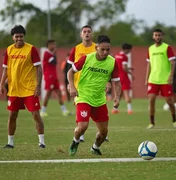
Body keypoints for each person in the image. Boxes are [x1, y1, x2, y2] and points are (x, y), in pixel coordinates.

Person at [67, 35, 121, 156]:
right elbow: (70, 71)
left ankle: (95, 147)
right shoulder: (86, 58)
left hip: (99, 100)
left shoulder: (112, 62)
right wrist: (71, 86)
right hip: (83, 97)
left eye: (108, 49)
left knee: (103, 132)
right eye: (102, 49)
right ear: (96, 48)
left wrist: (117, 97)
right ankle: (75, 141)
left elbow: (116, 81)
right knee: (82, 127)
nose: (105, 52)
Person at [0, 25, 45, 148]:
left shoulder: (31, 49)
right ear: (13, 37)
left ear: (24, 36)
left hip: (29, 88)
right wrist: (1, 84)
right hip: (14, 89)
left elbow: (38, 68)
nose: (19, 38)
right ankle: (10, 143)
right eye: (17, 36)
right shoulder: (9, 50)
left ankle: (42, 142)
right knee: (12, 115)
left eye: (21, 36)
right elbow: (5, 69)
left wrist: (38, 85)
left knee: (36, 114)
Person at [67, 25, 97, 142]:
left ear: (92, 34)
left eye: (89, 31)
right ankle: (81, 133)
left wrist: (107, 82)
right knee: (81, 108)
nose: (87, 33)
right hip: (79, 85)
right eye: (84, 31)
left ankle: (103, 132)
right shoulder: (76, 49)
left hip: (95, 84)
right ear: (81, 34)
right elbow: (69, 68)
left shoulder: (97, 48)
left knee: (98, 107)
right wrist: (70, 84)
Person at [145, 28, 176, 129]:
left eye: (159, 35)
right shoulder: (150, 49)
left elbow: (173, 62)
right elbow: (149, 65)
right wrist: (146, 78)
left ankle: (174, 120)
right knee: (151, 99)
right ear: (153, 36)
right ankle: (152, 123)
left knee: (169, 102)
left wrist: (171, 75)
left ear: (162, 36)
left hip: (165, 80)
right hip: (153, 79)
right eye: (155, 35)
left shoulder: (167, 48)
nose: (157, 37)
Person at [40, 40, 71, 117]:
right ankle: (42, 111)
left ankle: (64, 111)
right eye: (52, 44)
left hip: (54, 76)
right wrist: (54, 53)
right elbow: (53, 61)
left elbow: (55, 61)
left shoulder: (51, 54)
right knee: (48, 94)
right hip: (49, 77)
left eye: (54, 44)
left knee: (59, 94)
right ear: (48, 45)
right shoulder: (47, 54)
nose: (54, 46)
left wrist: (54, 53)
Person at [112, 43, 134, 114]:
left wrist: (129, 68)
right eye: (130, 50)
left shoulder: (117, 55)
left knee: (119, 94)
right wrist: (131, 73)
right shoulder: (124, 57)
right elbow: (124, 68)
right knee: (126, 93)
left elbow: (119, 66)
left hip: (118, 77)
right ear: (126, 49)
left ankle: (115, 109)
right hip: (124, 77)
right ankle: (129, 109)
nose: (130, 52)